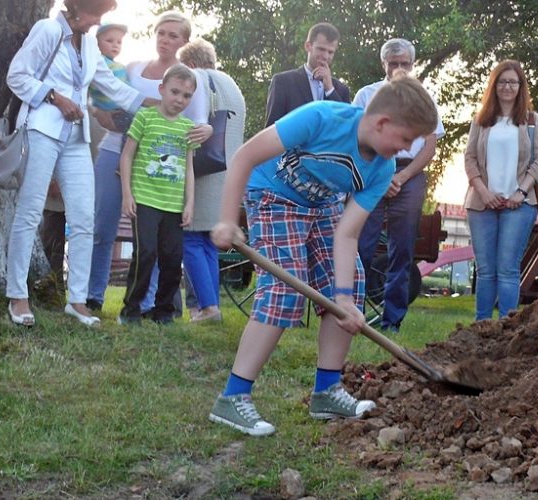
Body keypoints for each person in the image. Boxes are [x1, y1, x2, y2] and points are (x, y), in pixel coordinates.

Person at [207, 76, 438, 437]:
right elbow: (245, 156)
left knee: (350, 283)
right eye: (406, 139)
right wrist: (225, 218)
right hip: (273, 195)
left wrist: (343, 298)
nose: (407, 149)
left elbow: (347, 234)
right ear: (382, 123)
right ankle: (233, 397)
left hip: (322, 205)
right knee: (284, 292)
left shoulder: (382, 168)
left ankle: (327, 391)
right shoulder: (321, 118)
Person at [5, 0, 153, 327]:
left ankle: (77, 301)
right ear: (77, 7)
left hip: (77, 138)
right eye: (97, 14)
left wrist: (155, 105)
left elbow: (111, 86)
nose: (99, 22)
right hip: (42, 129)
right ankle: (18, 296)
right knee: (29, 212)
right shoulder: (47, 30)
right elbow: (16, 75)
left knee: (85, 218)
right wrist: (54, 96)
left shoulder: (88, 43)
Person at [87, 12, 211, 314]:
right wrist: (96, 111)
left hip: (158, 167)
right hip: (117, 150)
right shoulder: (133, 68)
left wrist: (206, 130)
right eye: (162, 33)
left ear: (184, 41)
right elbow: (105, 98)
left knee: (152, 240)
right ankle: (92, 295)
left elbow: (200, 124)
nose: (166, 40)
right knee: (102, 228)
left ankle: (146, 301)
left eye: (174, 35)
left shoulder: (189, 80)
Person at [353, 38, 445, 333]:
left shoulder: (425, 99)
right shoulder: (366, 95)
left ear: (412, 64)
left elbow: (429, 147)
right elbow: (355, 138)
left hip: (410, 174)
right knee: (361, 245)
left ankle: (392, 319)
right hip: (372, 171)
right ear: (384, 64)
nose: (399, 68)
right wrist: (381, 176)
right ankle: (352, 312)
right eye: (394, 63)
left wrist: (401, 178)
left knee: (402, 249)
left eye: (405, 63)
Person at [463, 60, 538, 320]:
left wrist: (520, 193)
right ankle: (481, 327)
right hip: (481, 204)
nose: (507, 86)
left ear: (521, 86)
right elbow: (469, 159)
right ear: (494, 85)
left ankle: (506, 331)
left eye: (513, 82)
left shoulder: (532, 121)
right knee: (486, 270)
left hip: (518, 206)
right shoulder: (481, 120)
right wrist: (484, 192)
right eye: (502, 81)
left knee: (508, 269)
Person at [117, 65, 197, 324]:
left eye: (186, 96)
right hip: (145, 199)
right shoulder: (145, 117)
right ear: (161, 89)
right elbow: (127, 155)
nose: (179, 100)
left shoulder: (187, 127)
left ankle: (164, 312)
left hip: (173, 205)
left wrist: (190, 203)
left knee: (173, 258)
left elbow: (189, 167)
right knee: (146, 254)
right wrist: (127, 194)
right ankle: (130, 310)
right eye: (175, 92)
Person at [178, 38, 246, 322]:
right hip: (228, 171)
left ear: (190, 63)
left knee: (189, 236)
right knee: (208, 241)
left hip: (202, 170)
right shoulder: (231, 83)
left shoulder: (196, 79)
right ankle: (211, 304)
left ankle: (207, 307)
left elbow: (188, 121)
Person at [263, 22, 350, 127]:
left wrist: (330, 90)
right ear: (308, 46)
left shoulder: (341, 90)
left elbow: (347, 128)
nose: (326, 56)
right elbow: (271, 129)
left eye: (330, 52)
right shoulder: (283, 82)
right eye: (321, 49)